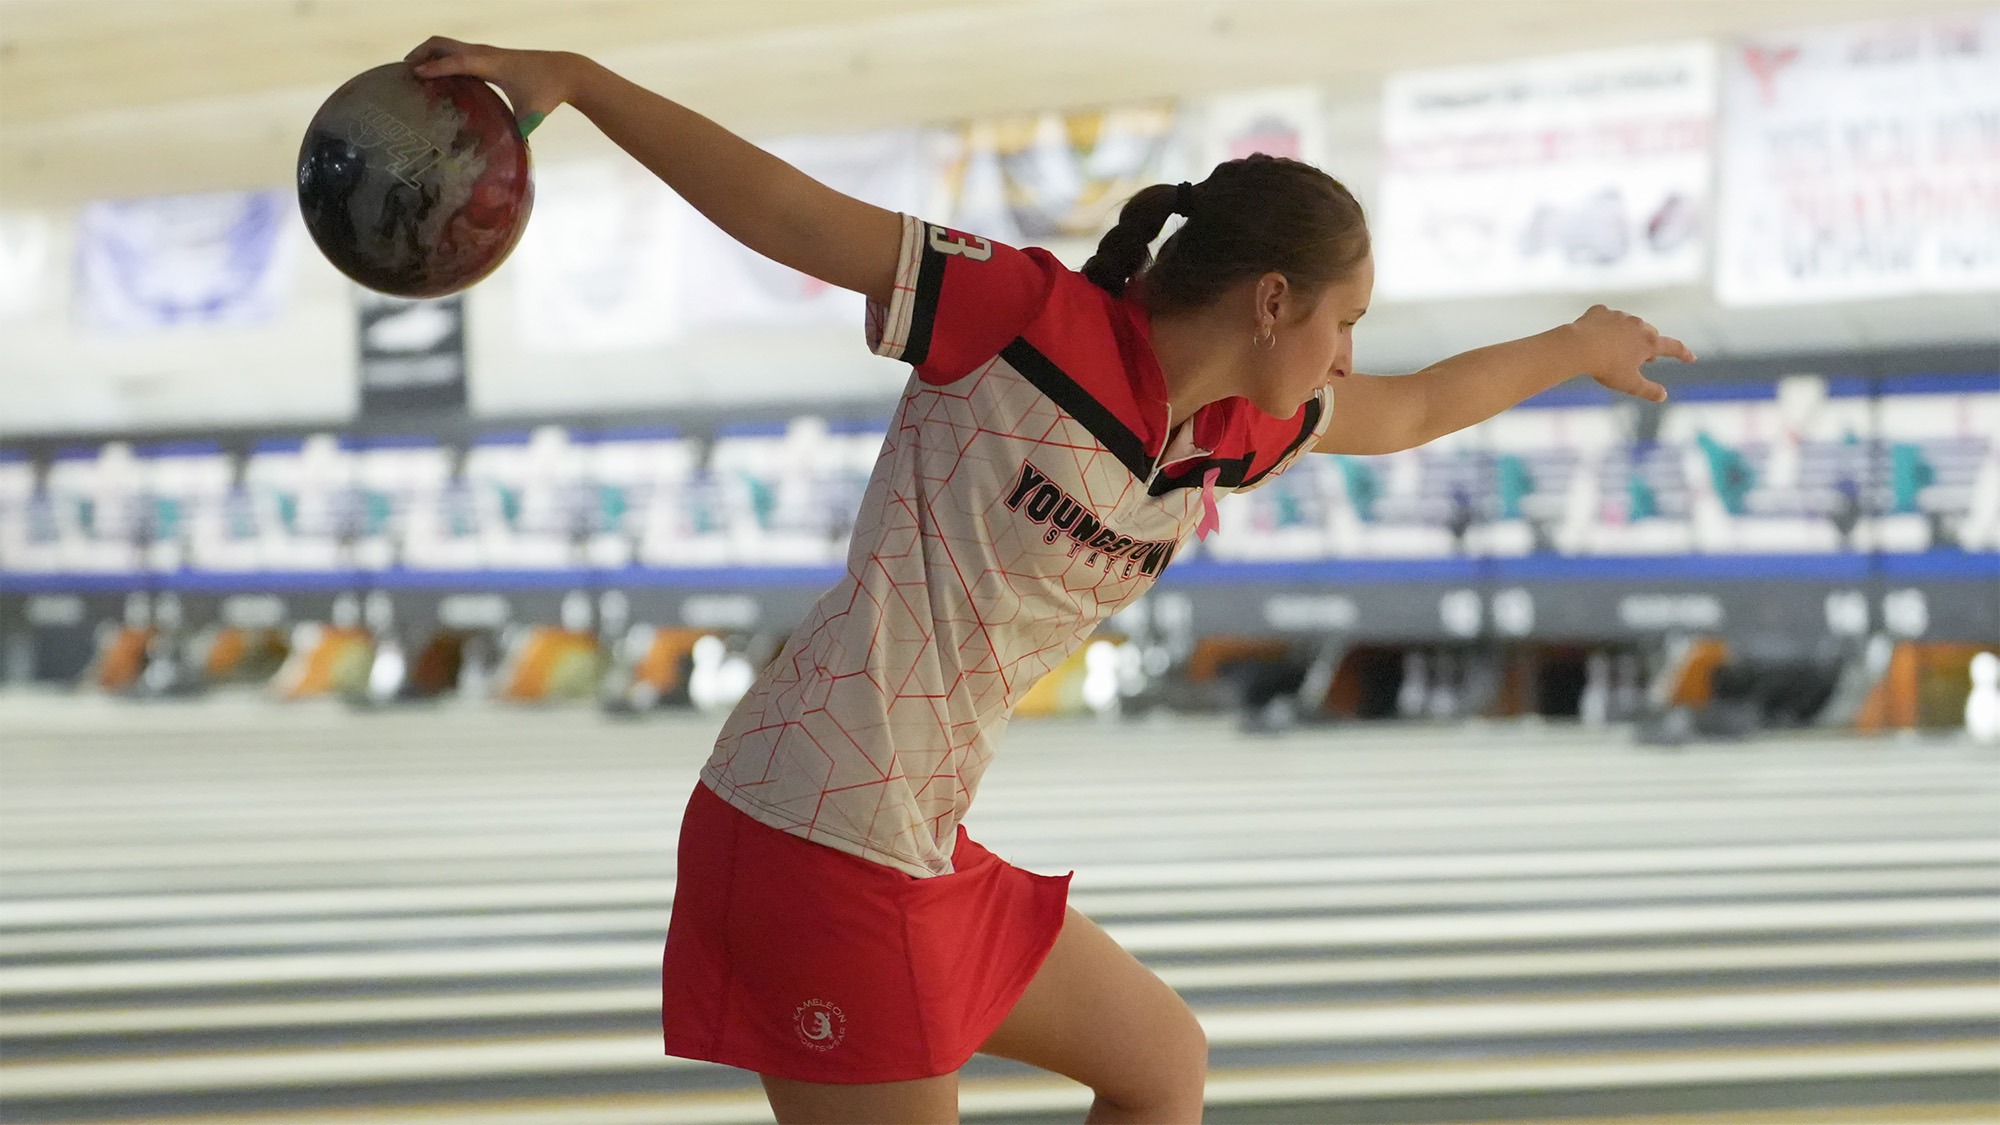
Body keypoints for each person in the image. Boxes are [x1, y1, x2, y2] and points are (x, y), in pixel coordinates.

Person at [405, 38, 1696, 1125]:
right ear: (1269, 301)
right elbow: (792, 214)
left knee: (1160, 1065)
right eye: (1341, 322)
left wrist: (1580, 342)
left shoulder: (1223, 433)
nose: (1350, 353)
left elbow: (1412, 407)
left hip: (909, 837)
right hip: (816, 834)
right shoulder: (1018, 316)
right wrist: (581, 82)